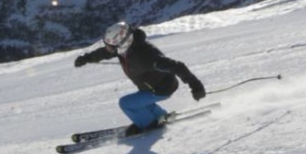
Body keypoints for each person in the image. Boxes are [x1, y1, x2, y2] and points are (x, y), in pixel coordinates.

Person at [74, 21, 207, 133]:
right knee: (141, 100)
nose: (108, 49)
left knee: (126, 103)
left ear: (122, 43)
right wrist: (86, 58)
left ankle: (150, 125)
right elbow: (105, 53)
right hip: (150, 87)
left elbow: (177, 66)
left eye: (110, 47)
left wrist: (196, 85)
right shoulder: (126, 48)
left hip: (162, 88)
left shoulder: (146, 55)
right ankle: (160, 116)